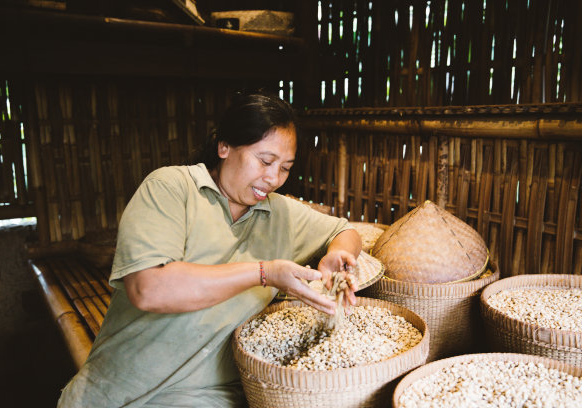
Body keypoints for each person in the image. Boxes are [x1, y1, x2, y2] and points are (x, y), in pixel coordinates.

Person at [57, 92, 361, 407]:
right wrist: (264, 273)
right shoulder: (171, 188)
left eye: (285, 167)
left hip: (209, 398)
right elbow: (148, 288)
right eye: (265, 161)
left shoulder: (281, 214)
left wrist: (337, 254)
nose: (273, 179)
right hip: (118, 390)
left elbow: (345, 230)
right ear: (224, 146)